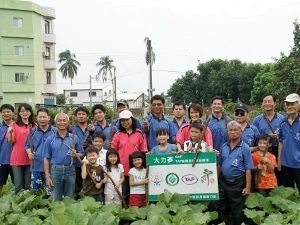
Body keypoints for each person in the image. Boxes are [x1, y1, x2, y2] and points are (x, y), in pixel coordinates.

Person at [215, 121, 253, 225]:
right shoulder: (223, 146)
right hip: (223, 182)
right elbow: (219, 165)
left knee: (237, 208)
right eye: (230, 130)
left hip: (237, 183)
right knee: (220, 205)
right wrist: (216, 181)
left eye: (235, 130)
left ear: (241, 131)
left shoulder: (244, 148)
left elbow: (248, 168)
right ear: (227, 132)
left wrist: (248, 187)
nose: (233, 132)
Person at [44, 113, 84, 201]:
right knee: (56, 197)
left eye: (64, 120)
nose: (62, 122)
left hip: (70, 169)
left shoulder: (74, 138)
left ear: (68, 123)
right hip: (55, 170)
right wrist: (47, 176)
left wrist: (76, 154)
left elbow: (82, 154)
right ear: (55, 123)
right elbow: (46, 159)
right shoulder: (50, 139)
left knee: (69, 197)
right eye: (59, 120)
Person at [111, 109, 147, 203]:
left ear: (132, 119)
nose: (125, 122)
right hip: (122, 169)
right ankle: (125, 213)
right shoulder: (118, 134)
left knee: (138, 192)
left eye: (127, 119)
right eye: (122, 120)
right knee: (124, 192)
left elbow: (143, 151)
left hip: (137, 169)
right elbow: (113, 151)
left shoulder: (140, 134)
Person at [252, 94, 284, 184]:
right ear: (262, 104)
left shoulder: (282, 119)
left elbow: (285, 136)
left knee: (278, 174)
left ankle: (277, 195)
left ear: (274, 103)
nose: (267, 103)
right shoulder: (257, 120)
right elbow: (255, 136)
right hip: (262, 151)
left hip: (277, 150)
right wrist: (267, 136)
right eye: (265, 101)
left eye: (269, 101)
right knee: (262, 175)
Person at [25, 108, 57, 191]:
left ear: (49, 117)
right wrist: (29, 153)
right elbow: (27, 146)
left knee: (50, 190)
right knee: (37, 191)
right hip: (36, 165)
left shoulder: (55, 131)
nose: (42, 119)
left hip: (52, 166)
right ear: (37, 118)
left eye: (44, 117)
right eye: (40, 117)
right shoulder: (32, 131)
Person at [7, 103, 35, 192]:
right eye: (22, 111)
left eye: (27, 110)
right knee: (18, 185)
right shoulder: (14, 125)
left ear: (30, 112)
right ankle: (19, 204)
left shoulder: (34, 125)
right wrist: (11, 133)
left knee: (28, 185)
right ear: (19, 113)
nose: (25, 113)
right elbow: (10, 142)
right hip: (17, 158)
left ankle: (28, 204)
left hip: (30, 158)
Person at [278, 93, 300, 192]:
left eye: (293, 104)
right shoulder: (283, 122)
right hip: (285, 163)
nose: (290, 106)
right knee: (288, 192)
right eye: (288, 104)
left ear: (298, 105)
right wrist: (279, 159)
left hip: (299, 164)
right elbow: (281, 141)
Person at [0, 104, 14, 193]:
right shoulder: (0, 127)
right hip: (2, 160)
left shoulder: (17, 126)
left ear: (12, 113)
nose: (6, 113)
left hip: (15, 161)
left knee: (17, 183)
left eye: (8, 111)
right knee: (0, 183)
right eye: (3, 112)